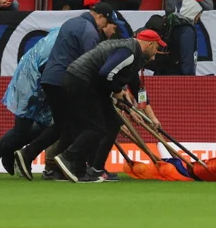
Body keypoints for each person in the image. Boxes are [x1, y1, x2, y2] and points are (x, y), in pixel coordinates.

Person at [12, 2, 119, 180]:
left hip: (51, 78)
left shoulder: (72, 22)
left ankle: (34, 157)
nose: (105, 27)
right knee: (82, 125)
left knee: (64, 125)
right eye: (106, 22)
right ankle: (73, 167)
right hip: (65, 80)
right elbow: (89, 64)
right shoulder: (90, 31)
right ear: (99, 16)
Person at [54, 29, 164, 183]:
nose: (156, 53)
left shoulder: (135, 57)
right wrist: (118, 92)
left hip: (87, 82)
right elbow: (106, 73)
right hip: (82, 80)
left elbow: (138, 89)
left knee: (112, 123)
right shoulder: (129, 52)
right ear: (150, 44)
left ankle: (93, 169)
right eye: (157, 48)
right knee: (95, 127)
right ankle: (68, 158)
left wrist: (152, 118)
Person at [0, 26, 62, 180]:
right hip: (31, 81)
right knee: (23, 129)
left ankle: (10, 152)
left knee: (43, 126)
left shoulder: (65, 33)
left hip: (37, 79)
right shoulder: (71, 39)